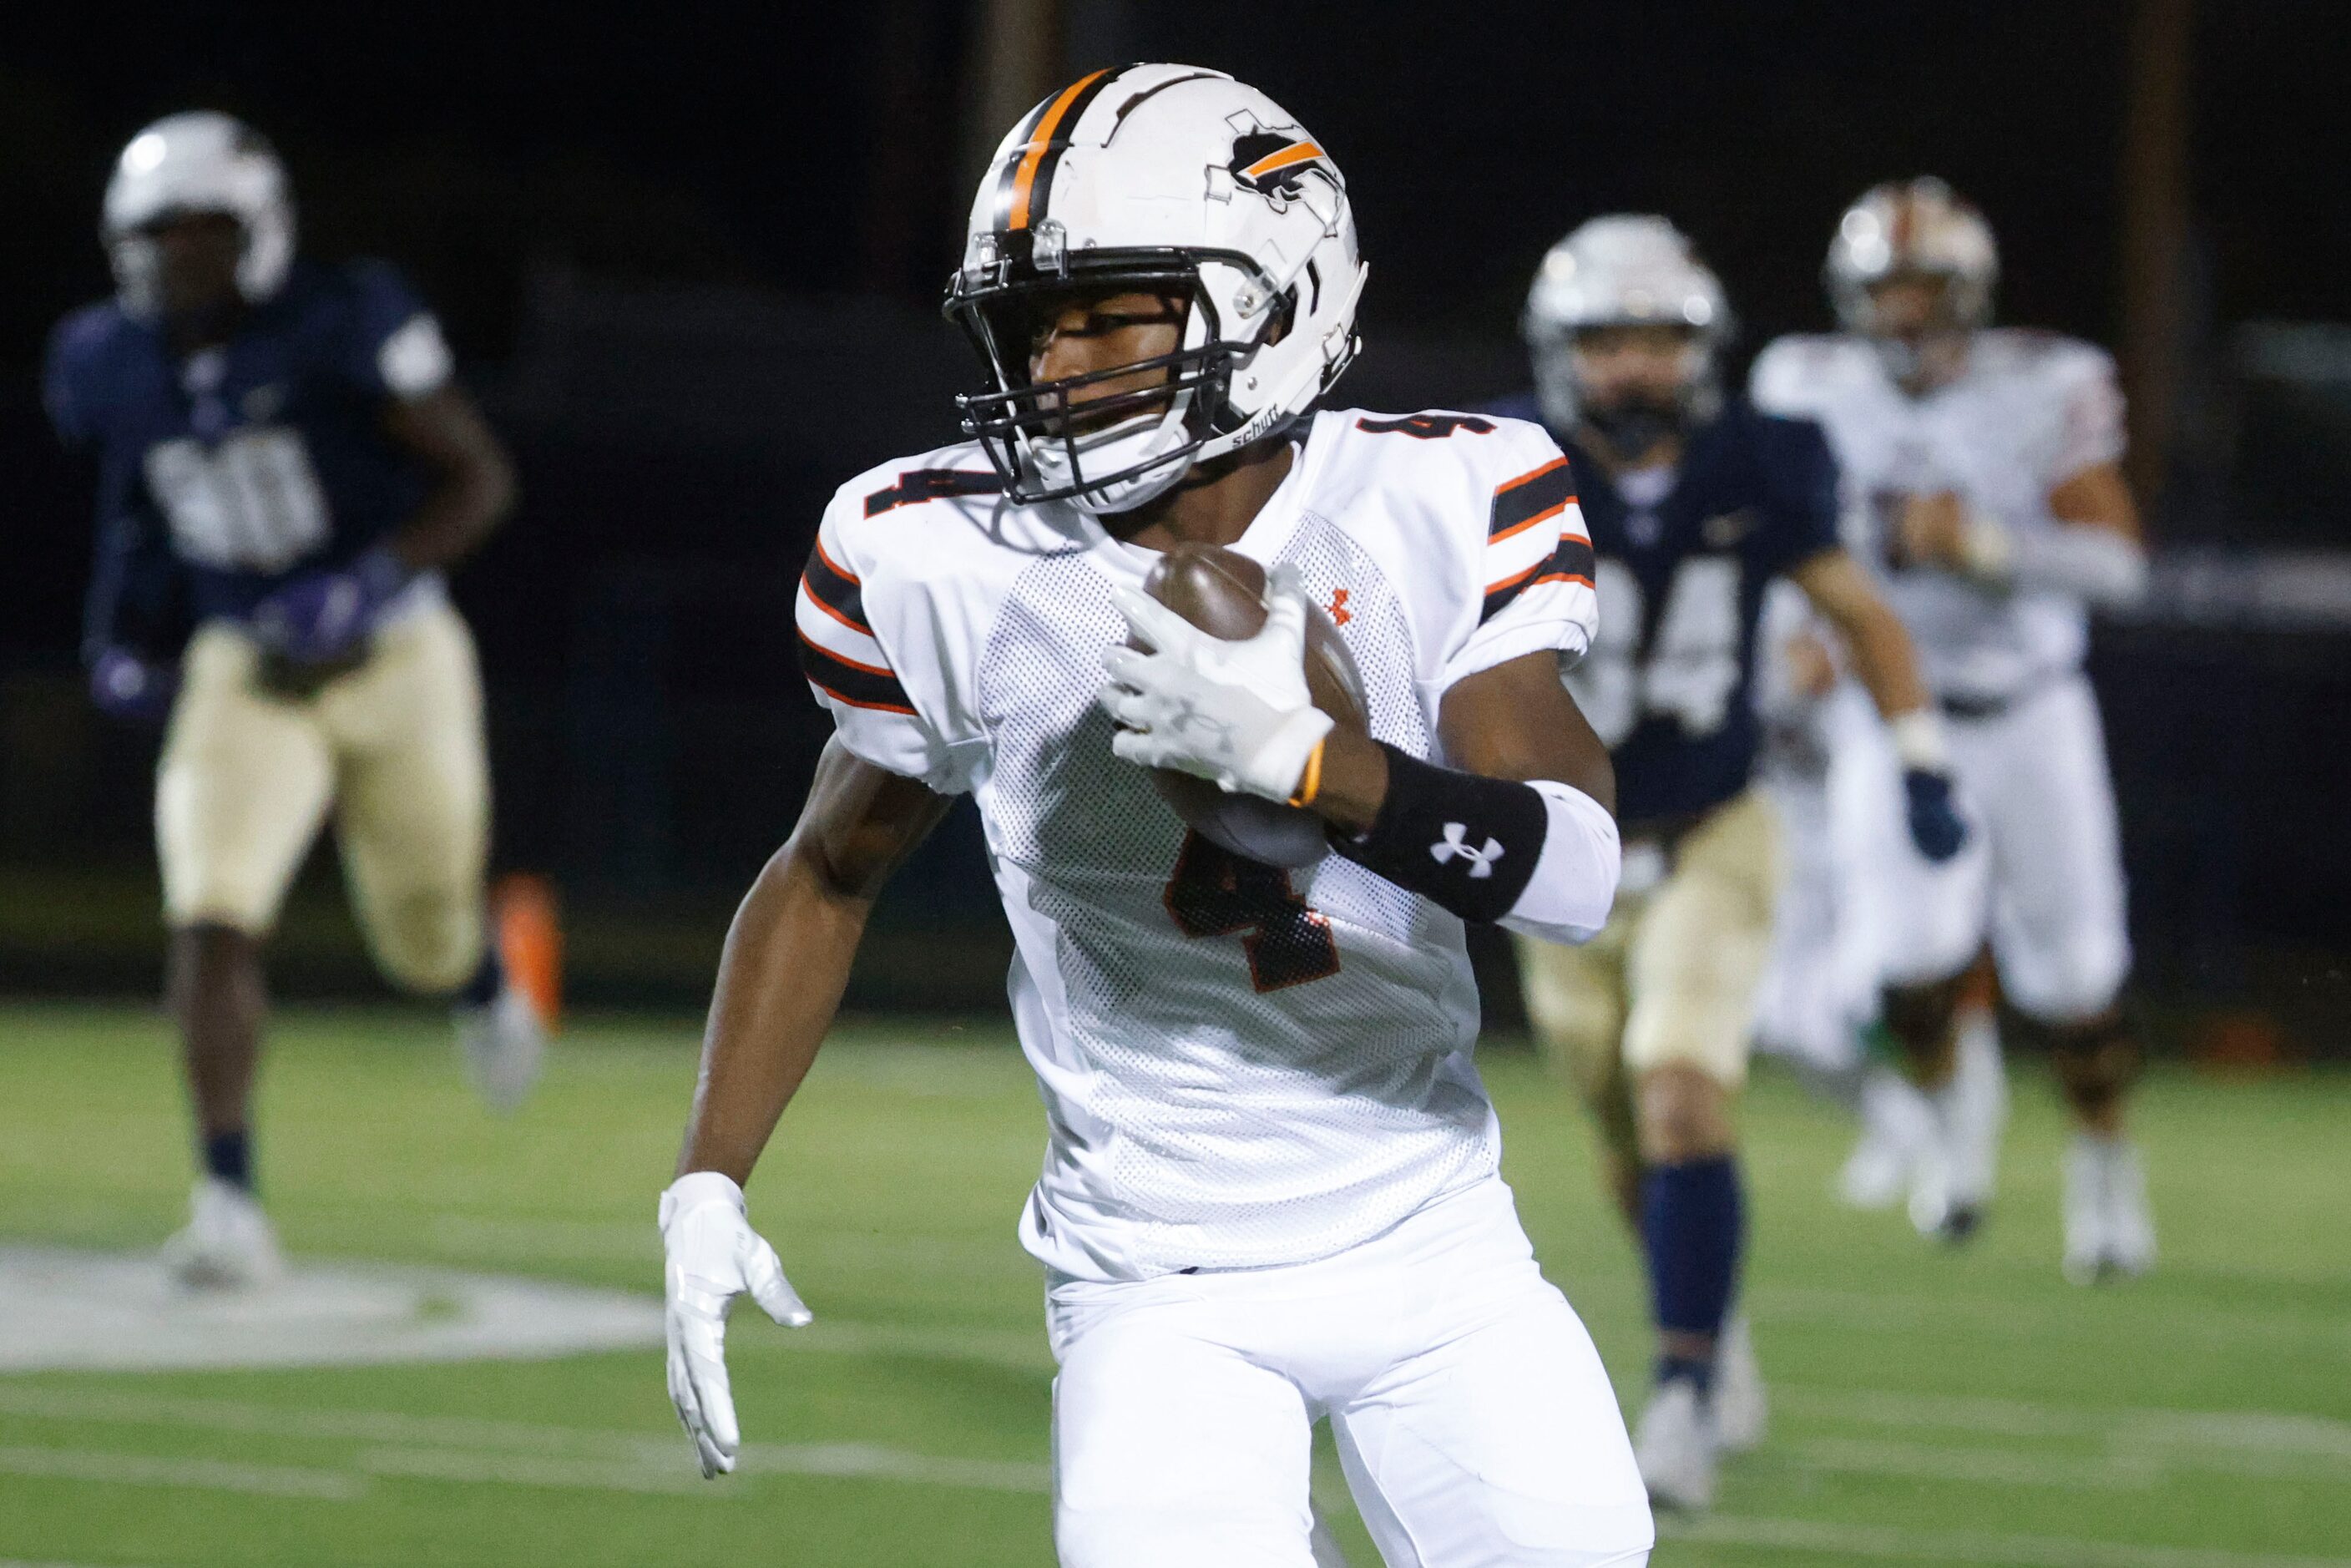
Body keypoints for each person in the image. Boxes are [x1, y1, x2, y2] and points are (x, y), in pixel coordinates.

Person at [656, 65, 1654, 1568]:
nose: (1052, 362)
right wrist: (708, 1177)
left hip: (1433, 1243)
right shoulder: (940, 555)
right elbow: (827, 872)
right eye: (1031, 320)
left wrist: (1322, 767)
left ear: (1277, 298)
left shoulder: (1440, 499)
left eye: (1108, 312)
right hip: (1154, 1274)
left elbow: (1574, 871)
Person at [1494, 216, 1963, 1510]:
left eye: (1659, 339)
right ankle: (1705, 1322)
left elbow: (1858, 612)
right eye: (1607, 341)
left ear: (1703, 349)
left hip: (1712, 826)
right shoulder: (1498, 466)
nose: (1635, 368)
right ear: (1558, 353)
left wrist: (1921, 754)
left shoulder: (1763, 457)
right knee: (1621, 1135)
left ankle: (1686, 1390)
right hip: (1561, 852)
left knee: (1681, 1095)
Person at [43, 112, 555, 1288]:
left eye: (206, 230)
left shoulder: (347, 319)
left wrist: (373, 577)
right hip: (246, 664)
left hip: (394, 649)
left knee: (420, 932)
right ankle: (227, 1196)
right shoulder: (105, 358)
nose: (181, 256)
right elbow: (142, 495)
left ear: (260, 233)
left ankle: (480, 980)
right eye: (158, 232)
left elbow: (479, 477)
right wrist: (123, 633)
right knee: (211, 909)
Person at [1751, 177, 2156, 1282]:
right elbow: (1778, 535)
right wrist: (1796, 628)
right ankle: (1958, 1121)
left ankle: (2104, 1162)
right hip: (1890, 706)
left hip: (2030, 708)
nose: (1904, 314)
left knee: (2076, 975)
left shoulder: (2044, 384)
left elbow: (2119, 564)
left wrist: (1986, 549)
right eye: (1884, 291)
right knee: (1905, 960)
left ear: (1969, 293)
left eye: (1925, 288)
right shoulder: (1806, 385)